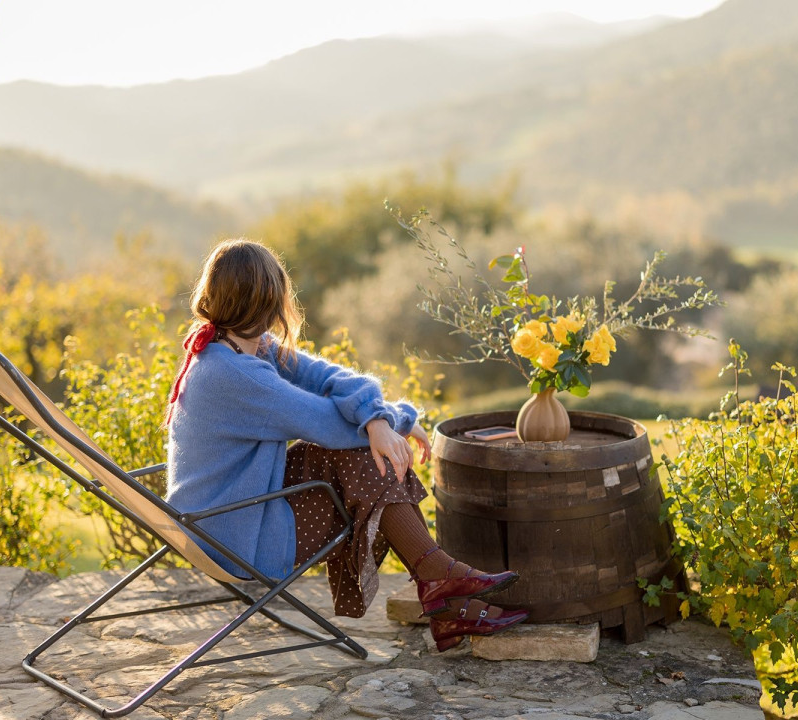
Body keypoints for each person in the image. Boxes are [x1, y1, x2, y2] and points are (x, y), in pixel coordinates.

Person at [165, 238, 527, 651]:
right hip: (233, 535)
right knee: (363, 454)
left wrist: (379, 417)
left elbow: (331, 377)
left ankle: (442, 587)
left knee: (362, 449)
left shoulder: (237, 348)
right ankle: (442, 584)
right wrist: (396, 421)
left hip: (237, 506)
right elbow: (325, 424)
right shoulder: (235, 374)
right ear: (268, 301)